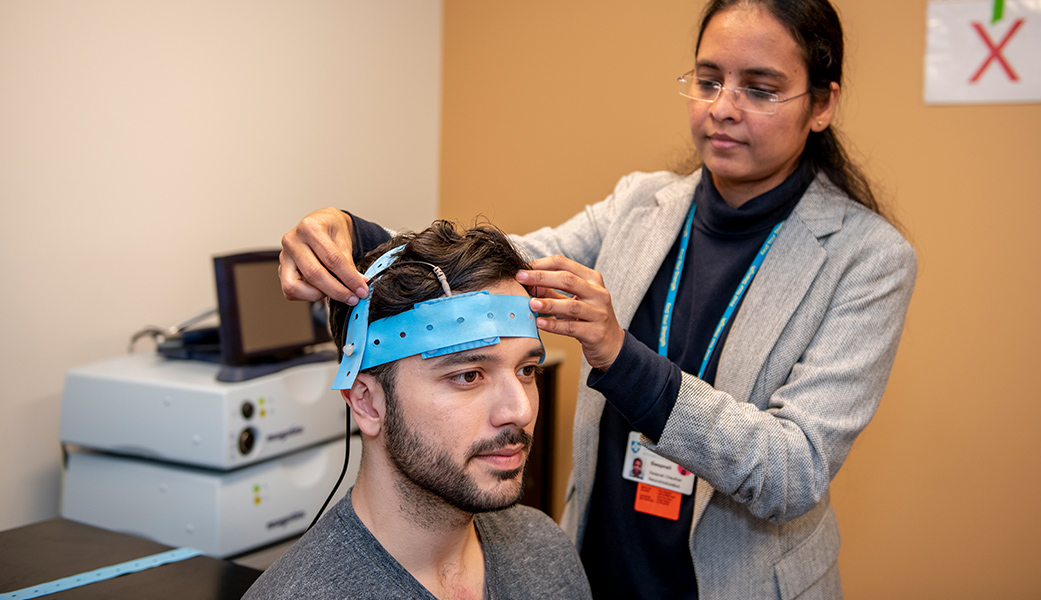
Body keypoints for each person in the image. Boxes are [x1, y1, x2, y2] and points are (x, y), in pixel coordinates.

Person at [277, 1, 917, 598]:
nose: (724, 106)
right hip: (595, 558)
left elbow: (792, 470)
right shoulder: (644, 204)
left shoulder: (868, 259)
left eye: (761, 87)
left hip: (733, 580)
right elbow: (503, 264)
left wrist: (619, 354)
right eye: (709, 78)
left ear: (823, 103)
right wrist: (354, 234)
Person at [244, 221, 592, 600]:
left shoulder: (545, 551)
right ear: (366, 402)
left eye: (526, 370)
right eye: (469, 376)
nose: (520, 410)